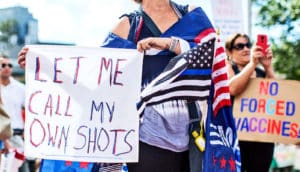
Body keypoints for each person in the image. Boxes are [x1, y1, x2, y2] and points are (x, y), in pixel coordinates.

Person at [19, 1, 240, 171]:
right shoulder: (128, 26)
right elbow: (92, 77)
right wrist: (44, 66)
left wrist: (171, 44)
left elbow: (215, 61)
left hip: (193, 137)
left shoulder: (193, 16)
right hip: (143, 138)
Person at [225, 33, 275, 172]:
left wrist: (268, 67)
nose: (246, 49)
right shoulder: (227, 67)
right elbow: (232, 88)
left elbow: (275, 95)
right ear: (229, 51)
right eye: (239, 46)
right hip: (236, 136)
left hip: (261, 137)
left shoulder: (260, 71)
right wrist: (253, 63)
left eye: (248, 45)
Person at [0, 54, 29, 172]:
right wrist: (4, 140)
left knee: (23, 169)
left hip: (17, 137)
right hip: (1, 139)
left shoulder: (21, 88)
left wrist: (27, 131)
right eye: (3, 65)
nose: (7, 67)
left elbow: (32, 110)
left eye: (10, 65)